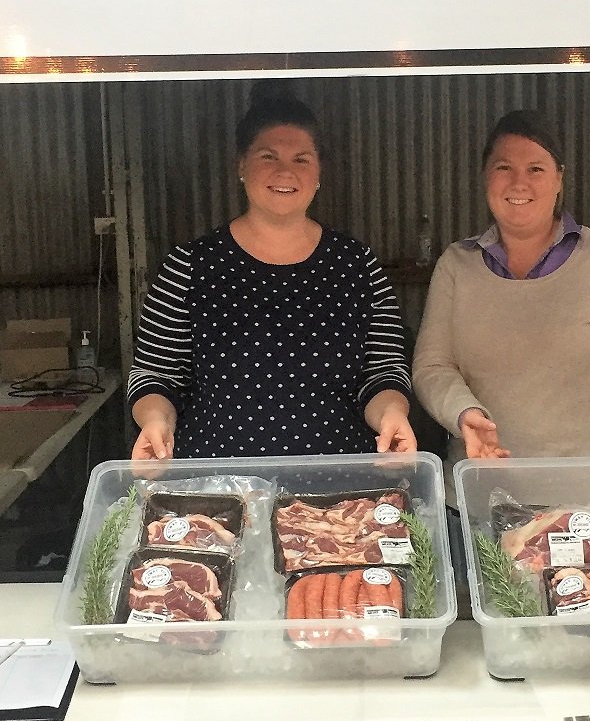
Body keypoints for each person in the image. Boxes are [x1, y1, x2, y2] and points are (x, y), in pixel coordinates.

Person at [128, 95, 416, 461]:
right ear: (241, 165)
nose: (285, 172)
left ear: (318, 173)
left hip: (340, 491)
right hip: (219, 487)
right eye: (268, 157)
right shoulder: (189, 265)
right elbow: (155, 375)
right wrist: (156, 421)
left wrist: (392, 414)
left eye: (301, 159)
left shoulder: (357, 264)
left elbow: (384, 371)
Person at [413, 110, 590, 466]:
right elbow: (432, 367)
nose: (519, 183)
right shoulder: (456, 266)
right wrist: (462, 411)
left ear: (559, 179)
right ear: (485, 176)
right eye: (503, 168)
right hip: (480, 494)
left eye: (536, 169)